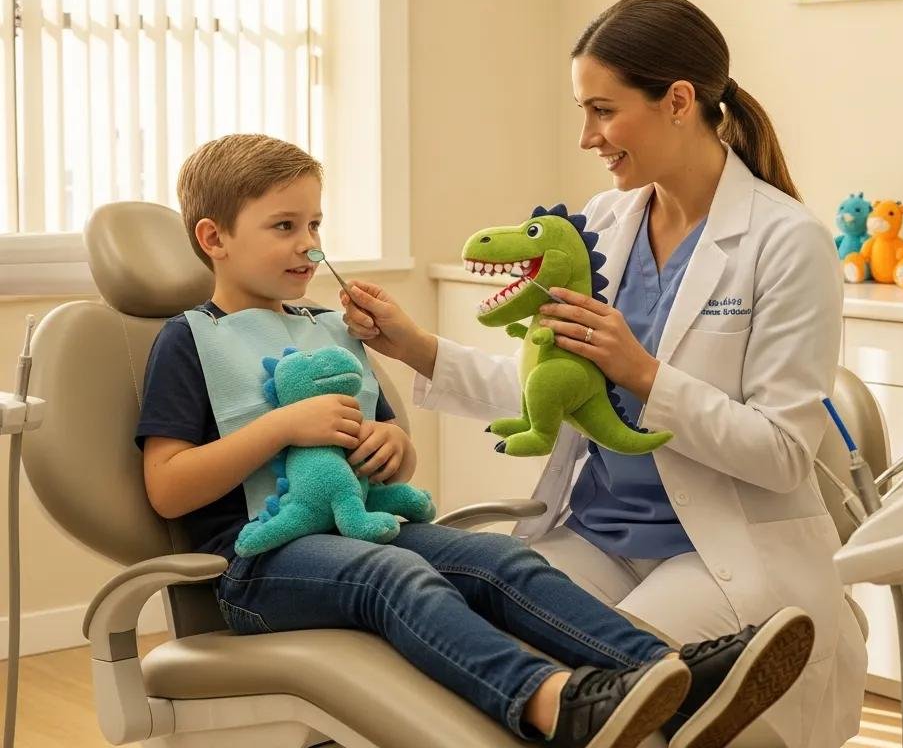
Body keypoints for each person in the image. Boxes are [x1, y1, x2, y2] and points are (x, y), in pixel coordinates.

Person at [135, 132, 812, 748]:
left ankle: (668, 677)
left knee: (499, 561)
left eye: (315, 224)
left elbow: (393, 448)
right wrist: (282, 427)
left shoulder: (328, 328)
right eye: (284, 227)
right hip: (257, 566)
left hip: (360, 527)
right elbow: (168, 489)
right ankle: (556, 702)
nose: (310, 245)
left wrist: (388, 448)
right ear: (214, 238)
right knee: (396, 575)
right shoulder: (189, 340)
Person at [340, 0, 869, 747]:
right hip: (593, 534)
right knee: (481, 662)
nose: (587, 135)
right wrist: (415, 345)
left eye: (603, 110)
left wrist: (647, 376)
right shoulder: (606, 222)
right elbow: (551, 387)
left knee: (610, 702)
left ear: (679, 101)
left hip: (714, 550)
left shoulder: (787, 243)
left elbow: (784, 455)